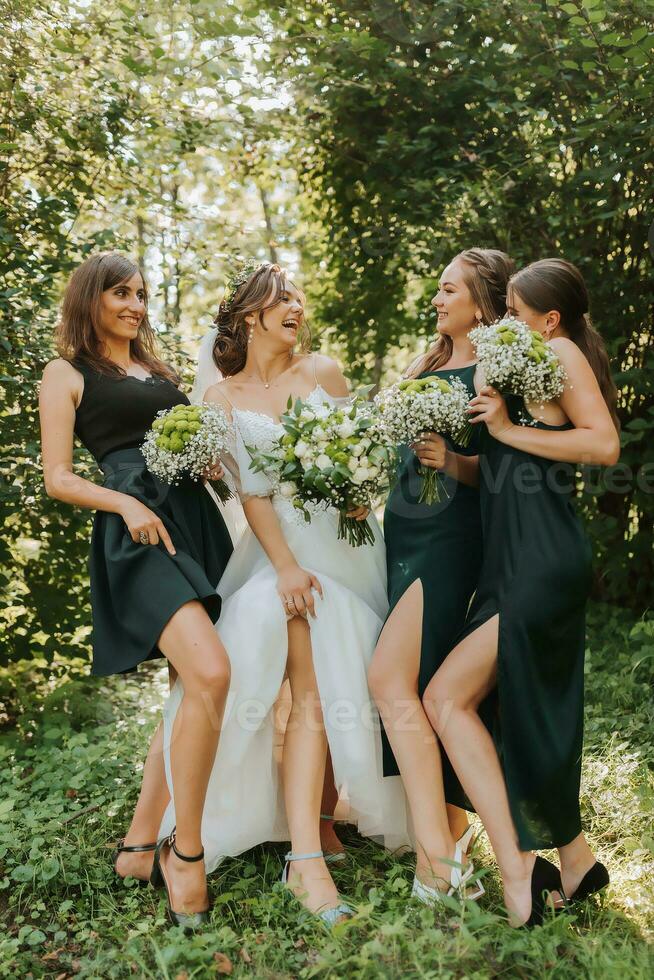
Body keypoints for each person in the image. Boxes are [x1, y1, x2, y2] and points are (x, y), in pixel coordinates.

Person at [158, 261, 411, 925]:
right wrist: (287, 568)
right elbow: (252, 491)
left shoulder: (323, 371)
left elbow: (363, 452)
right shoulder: (221, 400)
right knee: (304, 685)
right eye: (282, 299)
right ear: (250, 317)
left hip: (348, 546)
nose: (297, 307)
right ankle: (305, 861)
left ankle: (318, 827)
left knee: (333, 683)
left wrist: (361, 494)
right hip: (284, 553)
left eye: (299, 296)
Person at [39, 252, 234, 929]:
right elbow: (58, 477)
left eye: (141, 293)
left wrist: (207, 463)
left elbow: (189, 446)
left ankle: (137, 845)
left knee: (190, 686)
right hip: (137, 528)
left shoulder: (159, 372)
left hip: (192, 518)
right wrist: (123, 506)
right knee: (211, 672)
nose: (134, 304)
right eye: (120, 293)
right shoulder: (66, 373)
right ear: (90, 299)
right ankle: (188, 851)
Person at [423, 258, 620, 926]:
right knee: (519, 708)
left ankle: (517, 868)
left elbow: (603, 446)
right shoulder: (526, 364)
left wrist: (506, 427)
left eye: (513, 307)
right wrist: (457, 462)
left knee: (446, 698)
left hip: (541, 559)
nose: (504, 318)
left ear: (550, 317)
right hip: (513, 560)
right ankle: (575, 858)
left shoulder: (559, 351)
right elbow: (510, 465)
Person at [369, 248, 514, 904]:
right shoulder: (425, 362)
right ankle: (450, 843)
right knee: (413, 685)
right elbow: (385, 446)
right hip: (399, 534)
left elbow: (508, 474)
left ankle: (438, 863)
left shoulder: (495, 369)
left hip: (449, 541)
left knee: (389, 681)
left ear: (481, 299)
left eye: (448, 290)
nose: (436, 299)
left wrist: (453, 460)